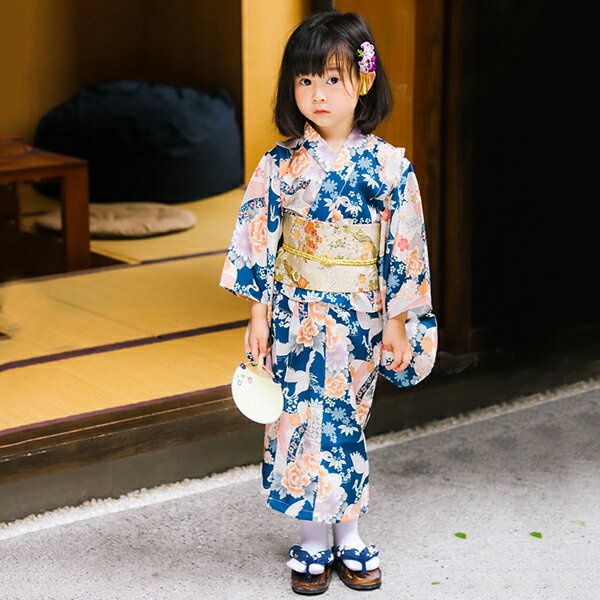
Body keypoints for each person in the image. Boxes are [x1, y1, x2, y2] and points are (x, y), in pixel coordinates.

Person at [219, 9, 437, 594]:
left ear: (363, 82)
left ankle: (349, 534)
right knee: (295, 419)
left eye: (333, 79)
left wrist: (397, 320)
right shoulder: (281, 163)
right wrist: (258, 311)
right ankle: (314, 537)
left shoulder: (389, 167)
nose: (317, 93)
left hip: (360, 314)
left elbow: (405, 245)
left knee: (346, 419)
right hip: (294, 311)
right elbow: (259, 238)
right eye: (305, 80)